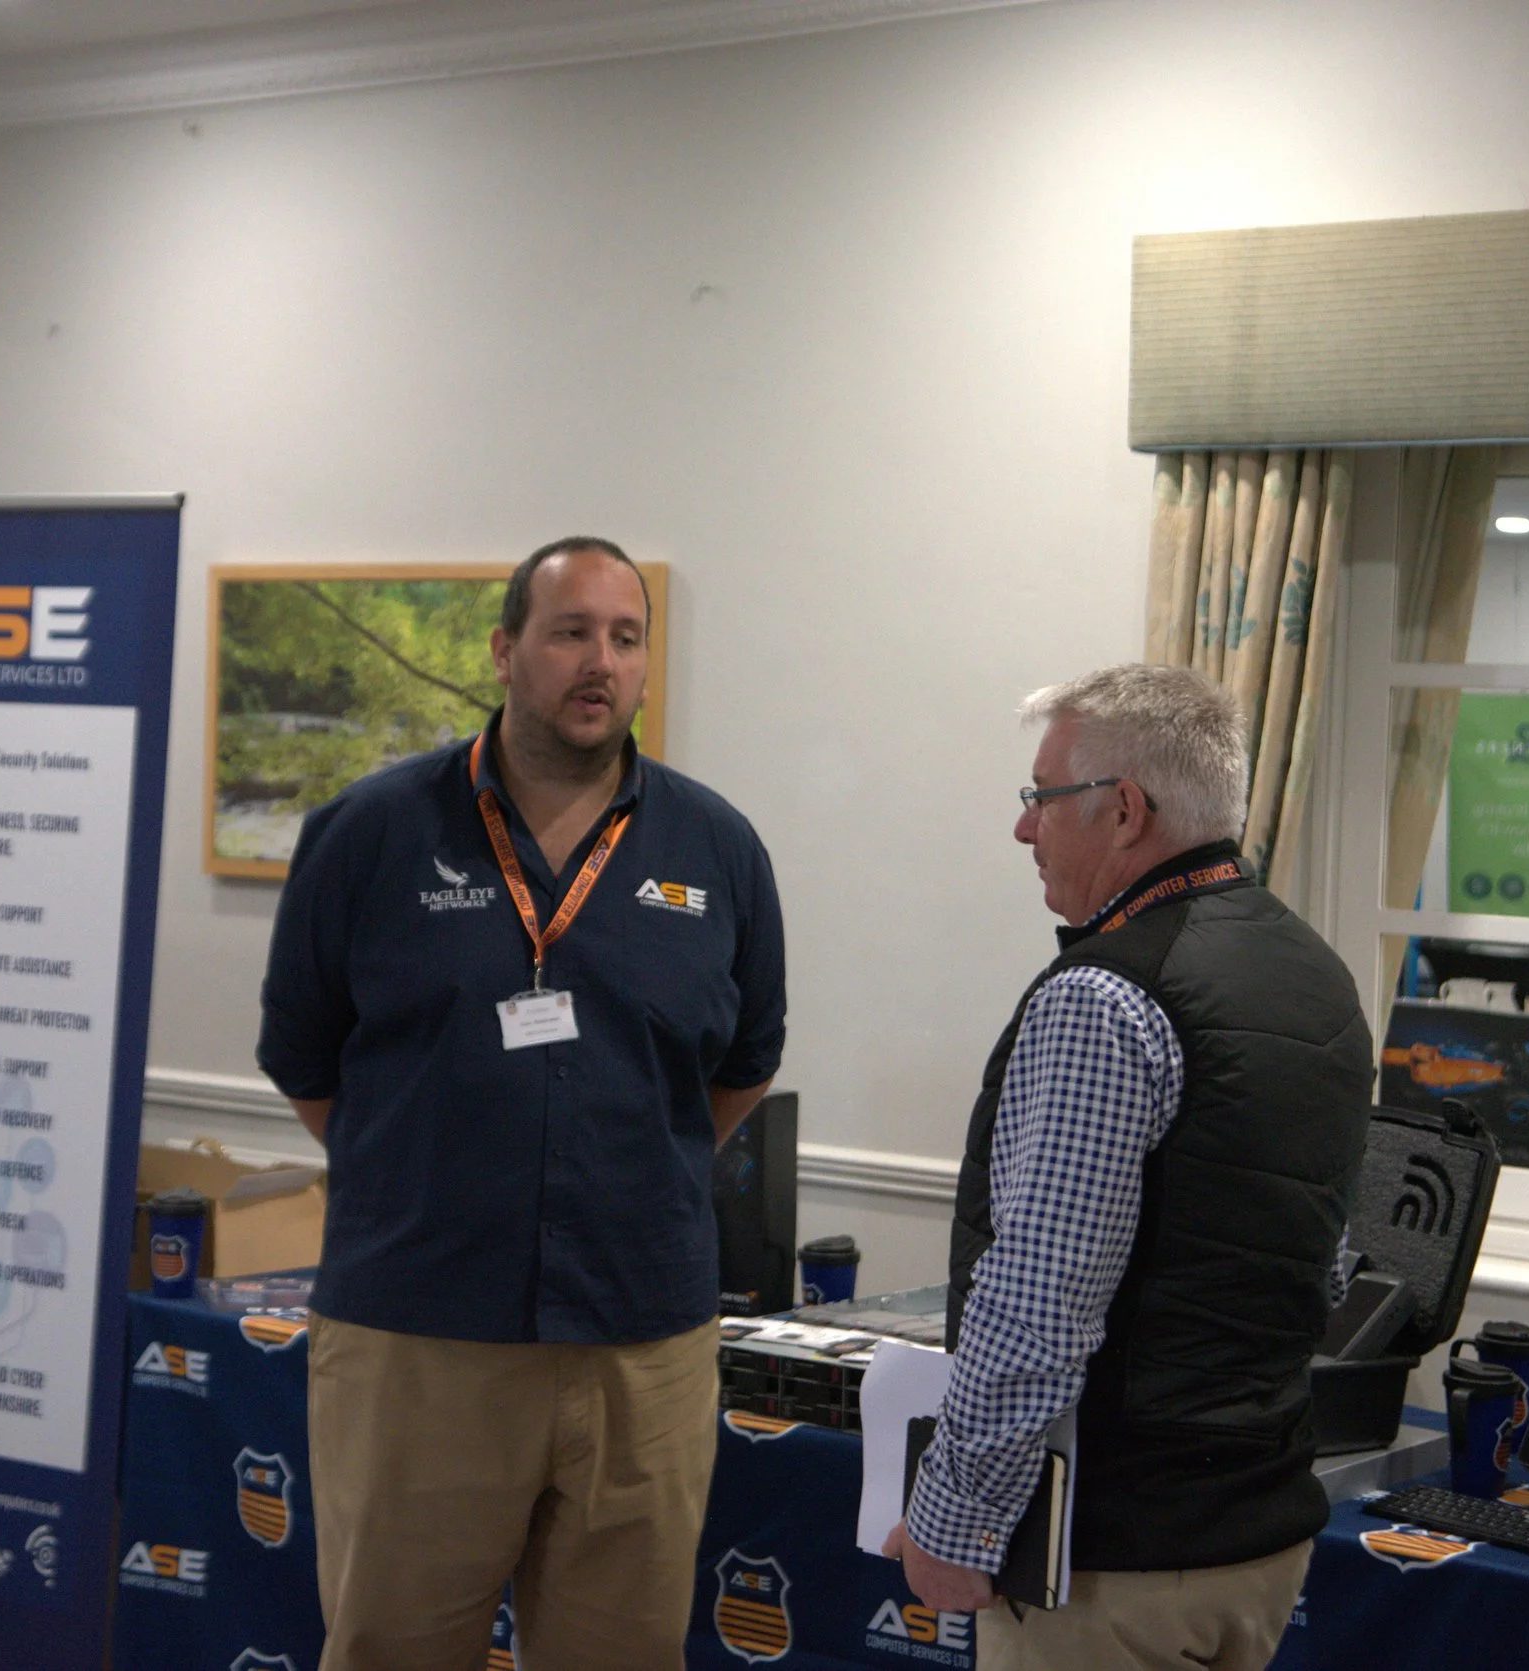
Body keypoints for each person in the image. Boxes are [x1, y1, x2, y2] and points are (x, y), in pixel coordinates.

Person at [256, 536, 788, 1671]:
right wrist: (428, 1176)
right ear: (504, 652)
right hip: (417, 1337)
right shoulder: (369, 833)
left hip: (641, 1343)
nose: (599, 661)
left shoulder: (718, 848)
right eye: (569, 632)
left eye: (625, 637)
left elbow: (744, 1062)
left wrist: (635, 1174)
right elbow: (303, 1061)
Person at [883, 664, 1372, 1671]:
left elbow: (1039, 1304)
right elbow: (1326, 1264)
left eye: (1040, 798)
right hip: (1261, 1538)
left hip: (1111, 1564)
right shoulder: (1313, 973)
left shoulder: (1103, 998)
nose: (1023, 829)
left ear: (1124, 811)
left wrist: (953, 1521)